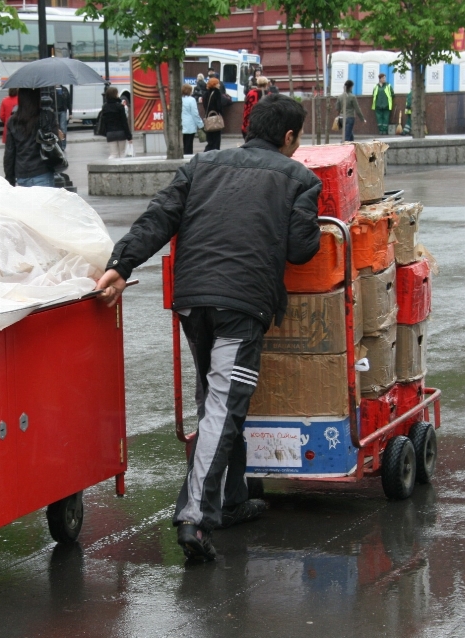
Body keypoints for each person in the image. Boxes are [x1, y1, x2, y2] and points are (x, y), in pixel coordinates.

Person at [96, 94, 321, 561]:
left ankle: (232, 498)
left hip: (193, 300)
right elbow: (302, 250)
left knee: (215, 401)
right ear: (288, 137)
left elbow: (160, 216)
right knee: (222, 407)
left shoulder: (201, 165)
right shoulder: (300, 178)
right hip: (241, 306)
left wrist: (121, 263)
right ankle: (194, 519)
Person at [4, 88, 60, 188]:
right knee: (45, 203)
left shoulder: (13, 121)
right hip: (43, 170)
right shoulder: (46, 116)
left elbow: (10, 152)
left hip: (22, 173)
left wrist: (9, 178)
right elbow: (55, 144)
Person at [98, 87, 131, 159]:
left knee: (113, 154)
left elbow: (104, 121)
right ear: (115, 95)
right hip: (121, 132)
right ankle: (122, 169)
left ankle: (111, 168)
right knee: (122, 153)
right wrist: (129, 136)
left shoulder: (105, 107)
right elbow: (124, 122)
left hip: (110, 133)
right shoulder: (120, 107)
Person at [180, 84, 204, 156]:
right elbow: (195, 114)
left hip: (182, 124)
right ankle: (188, 159)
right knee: (189, 144)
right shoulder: (192, 100)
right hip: (190, 125)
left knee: (183, 144)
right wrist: (201, 124)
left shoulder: (180, 99)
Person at [202, 77, 224, 151]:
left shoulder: (205, 94)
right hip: (215, 119)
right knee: (216, 140)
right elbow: (219, 106)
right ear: (214, 84)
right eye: (218, 83)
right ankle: (215, 155)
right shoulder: (217, 93)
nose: (219, 85)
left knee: (210, 140)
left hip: (208, 118)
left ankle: (207, 154)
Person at [55, 85, 71, 151]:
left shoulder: (64, 89)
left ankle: (63, 145)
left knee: (63, 128)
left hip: (62, 110)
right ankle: (57, 144)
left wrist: (70, 112)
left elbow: (69, 101)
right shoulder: (52, 89)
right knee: (56, 128)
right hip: (55, 111)